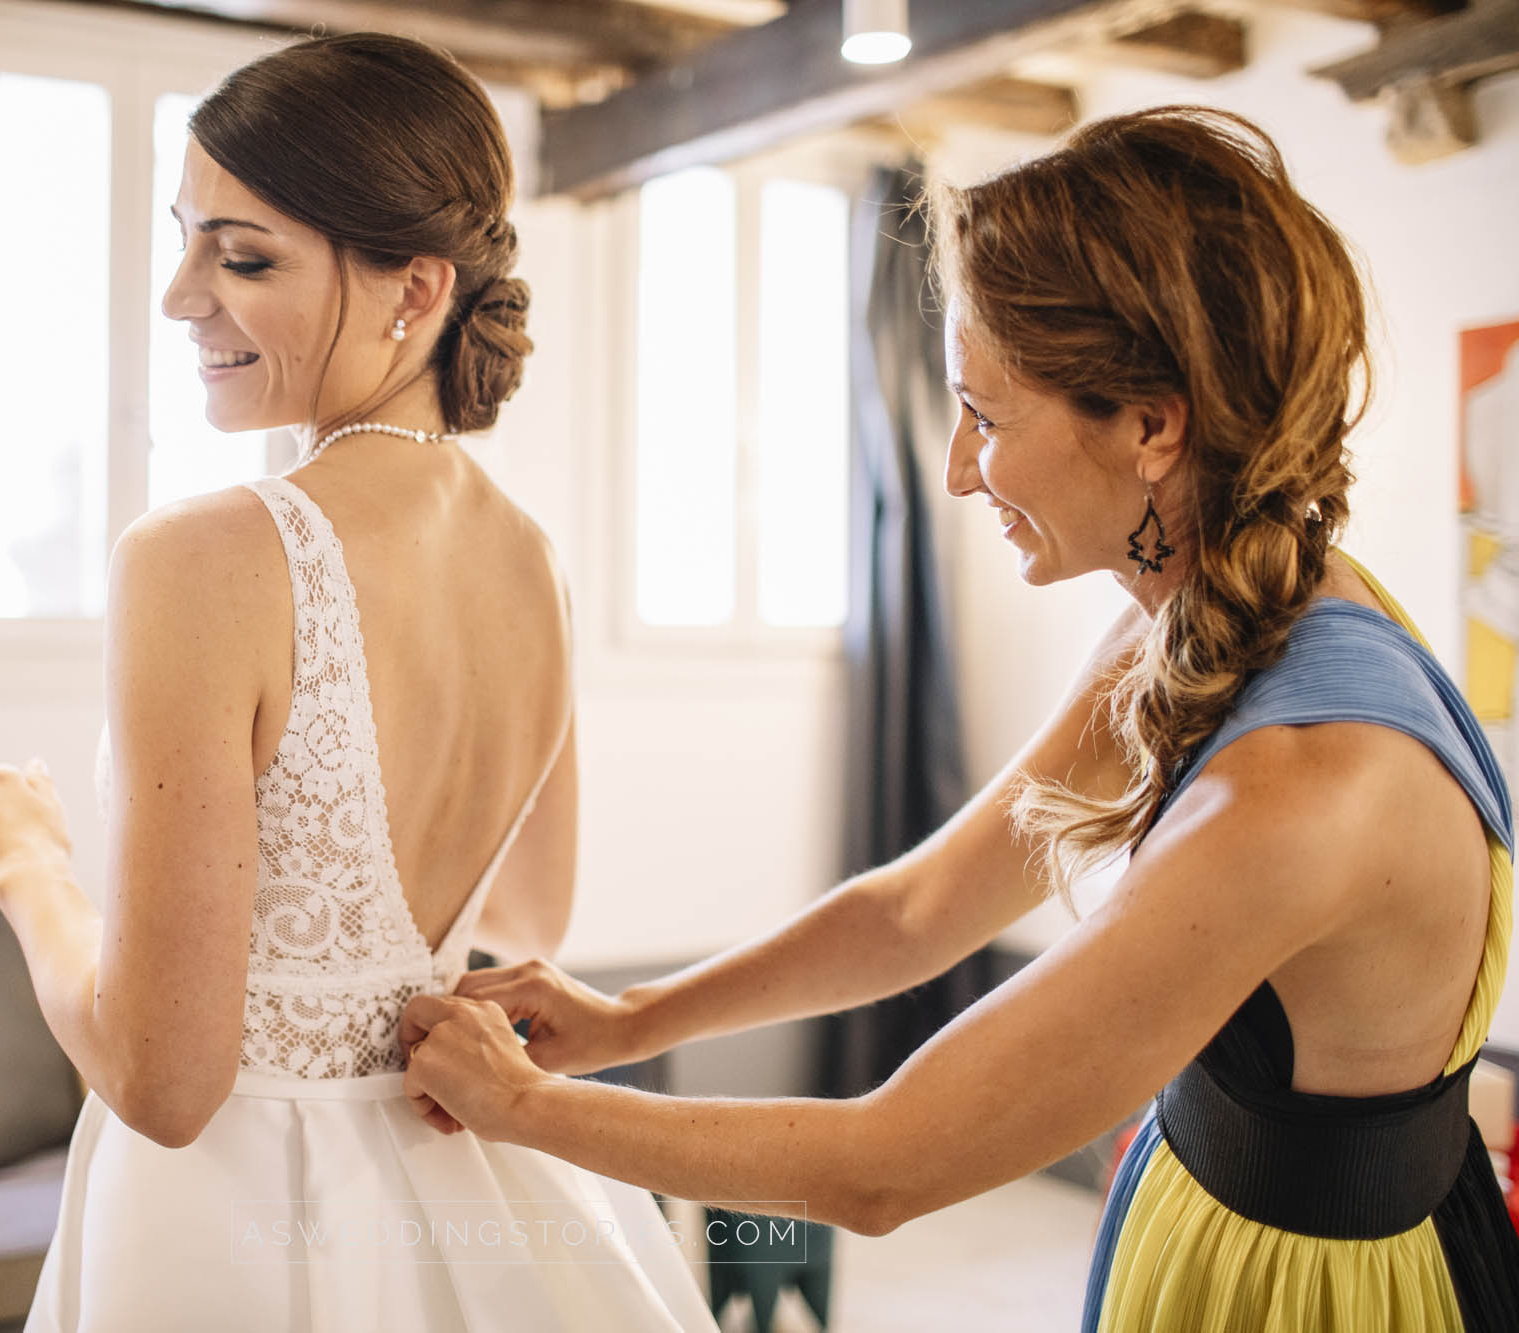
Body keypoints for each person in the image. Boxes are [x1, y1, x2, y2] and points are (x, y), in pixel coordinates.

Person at [399, 106, 1519, 1331]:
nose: (956, 469)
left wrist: (524, 1110)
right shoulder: (1198, 618)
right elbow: (918, 910)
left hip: (1309, 1293)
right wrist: (630, 1017)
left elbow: (888, 1164)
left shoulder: (1306, 785)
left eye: (986, 416)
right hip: (1196, 1206)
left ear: (1151, 424)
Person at [0, 32, 720, 1333]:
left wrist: (24, 869)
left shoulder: (203, 556)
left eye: (243, 257)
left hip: (240, 1212)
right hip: (462, 1177)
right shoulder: (529, 555)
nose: (182, 295)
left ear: (415, 290)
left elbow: (164, 1083)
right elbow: (527, 924)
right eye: (187, 238)